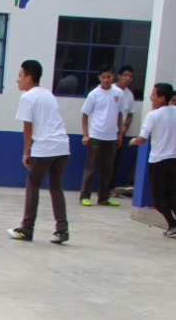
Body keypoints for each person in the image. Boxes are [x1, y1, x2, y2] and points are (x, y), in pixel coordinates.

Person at [7, 59, 71, 244]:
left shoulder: (28, 97)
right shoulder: (48, 94)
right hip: (62, 146)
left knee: (33, 184)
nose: (17, 79)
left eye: (20, 75)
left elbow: (28, 126)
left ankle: (27, 229)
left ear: (29, 77)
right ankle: (62, 229)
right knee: (56, 186)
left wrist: (26, 153)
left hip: (45, 147)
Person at [131, 82, 176, 239]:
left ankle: (172, 224)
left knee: (158, 197)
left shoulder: (153, 115)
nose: (151, 97)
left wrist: (132, 141)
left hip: (158, 160)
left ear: (162, 98)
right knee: (173, 191)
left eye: (153, 94)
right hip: (175, 159)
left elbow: (142, 138)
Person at [78, 64, 124, 207]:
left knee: (107, 168)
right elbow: (85, 115)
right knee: (91, 167)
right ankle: (84, 196)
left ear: (113, 77)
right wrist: (86, 135)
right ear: (99, 78)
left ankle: (104, 197)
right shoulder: (94, 94)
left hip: (111, 137)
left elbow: (120, 114)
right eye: (103, 77)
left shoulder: (118, 93)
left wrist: (120, 133)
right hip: (96, 136)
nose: (106, 80)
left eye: (109, 77)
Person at [110, 64, 136, 192]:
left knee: (115, 161)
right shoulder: (111, 90)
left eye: (130, 76)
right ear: (119, 76)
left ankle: (110, 188)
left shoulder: (129, 95)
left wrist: (124, 128)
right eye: (125, 75)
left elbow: (130, 114)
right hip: (106, 131)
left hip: (120, 134)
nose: (128, 78)